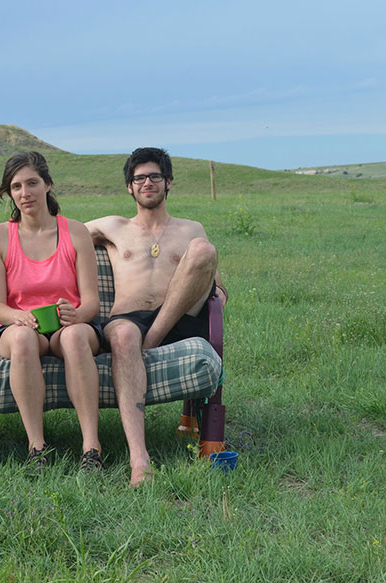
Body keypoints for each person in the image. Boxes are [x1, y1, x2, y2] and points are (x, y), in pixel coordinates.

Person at [86, 147, 227, 487]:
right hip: (128, 320)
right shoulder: (113, 226)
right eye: (139, 178)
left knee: (203, 249)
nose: (147, 183)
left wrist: (219, 293)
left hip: (181, 319)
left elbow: (217, 284)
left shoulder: (191, 228)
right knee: (123, 336)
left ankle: (150, 342)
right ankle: (139, 460)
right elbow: (54, 232)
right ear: (129, 187)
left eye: (154, 176)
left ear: (168, 182)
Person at [0, 151, 104, 472]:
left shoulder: (75, 232)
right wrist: (17, 317)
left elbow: (92, 302)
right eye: (16, 186)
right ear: (10, 193)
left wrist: (76, 314)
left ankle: (91, 448)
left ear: (47, 185)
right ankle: (37, 448)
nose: (25, 193)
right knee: (23, 339)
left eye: (32, 183)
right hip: (20, 328)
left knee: (75, 337)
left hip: (70, 325)